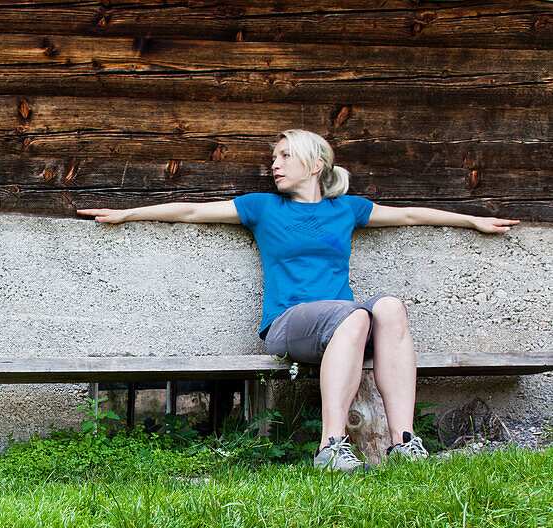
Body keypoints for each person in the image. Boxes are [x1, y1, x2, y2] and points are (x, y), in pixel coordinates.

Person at [78, 129, 518, 472]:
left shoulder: (345, 208)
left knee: (389, 307)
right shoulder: (264, 207)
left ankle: (404, 443)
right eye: (274, 157)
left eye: (285, 156)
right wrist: (126, 214)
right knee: (355, 315)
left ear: (316, 164)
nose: (275, 164)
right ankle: (331, 447)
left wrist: (472, 220)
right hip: (290, 326)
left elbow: (408, 215)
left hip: (348, 324)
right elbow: (193, 210)